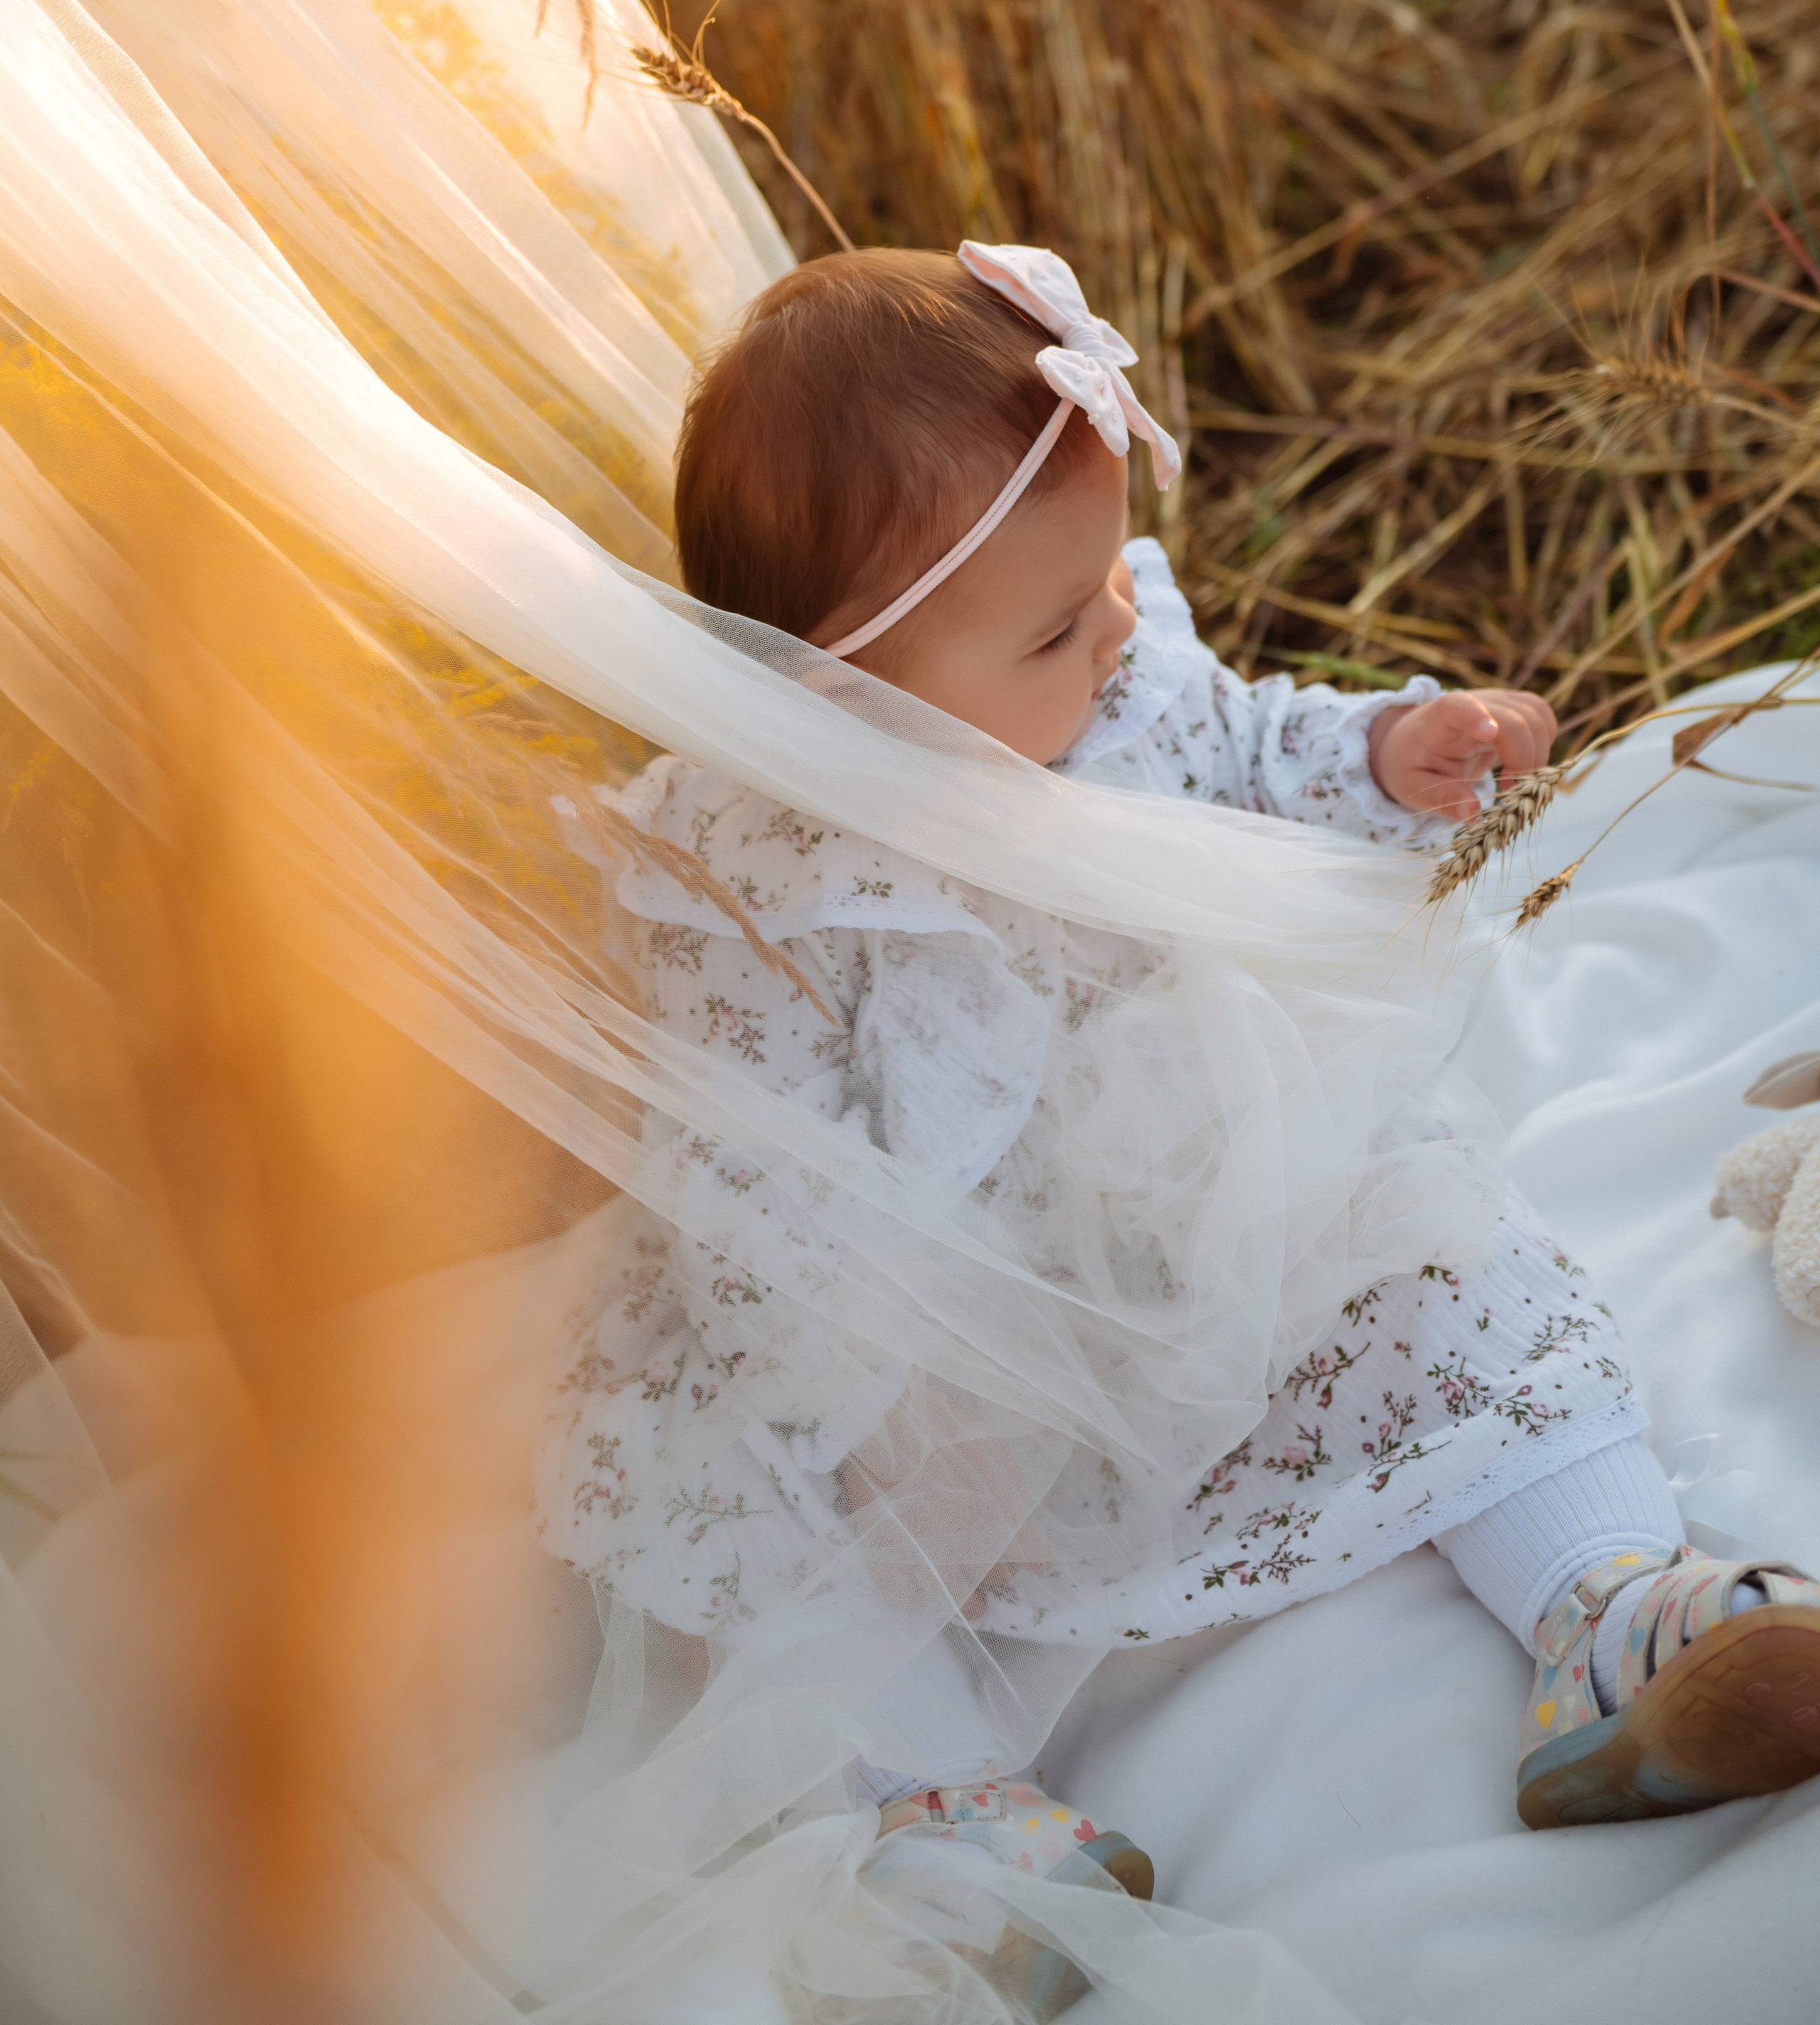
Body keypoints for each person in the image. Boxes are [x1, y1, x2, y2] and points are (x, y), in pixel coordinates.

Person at [540, 242, 1820, 1943]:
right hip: (910, 1305)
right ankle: (945, 1816)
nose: (1121, 632)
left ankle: (1606, 1601)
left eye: (1108, 591)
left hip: (1183, 1191)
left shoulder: (1117, 676)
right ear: (836, 685)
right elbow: (744, 1162)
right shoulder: (743, 871)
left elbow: (1240, 744)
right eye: (1061, 624)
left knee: (1438, 1257)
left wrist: (1378, 754)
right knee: (748, 1501)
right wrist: (891, 1379)